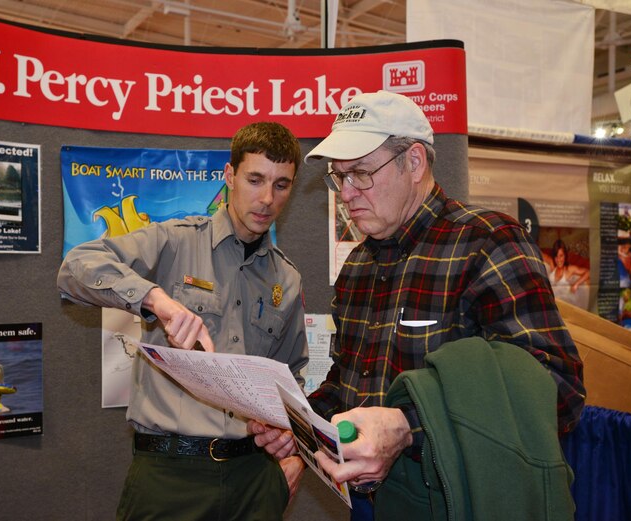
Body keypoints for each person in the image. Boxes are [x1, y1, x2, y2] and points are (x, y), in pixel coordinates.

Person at [250, 91, 585, 519]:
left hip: (455, 499)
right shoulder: (358, 265)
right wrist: (298, 424)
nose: (346, 194)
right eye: (339, 178)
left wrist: (410, 428)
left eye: (361, 174)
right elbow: (350, 380)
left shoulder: (487, 242)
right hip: (368, 503)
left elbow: (557, 388)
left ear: (414, 162)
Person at [58, 121, 309, 521]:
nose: (266, 198)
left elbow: (290, 376)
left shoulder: (287, 279)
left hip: (255, 477)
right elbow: (76, 268)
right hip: (172, 475)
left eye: (281, 185)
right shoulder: (175, 241)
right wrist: (156, 300)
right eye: (255, 179)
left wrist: (289, 439)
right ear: (230, 176)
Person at [541, 238, 590, 306]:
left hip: (563, 304)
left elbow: (588, 272)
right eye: (556, 256)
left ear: (565, 256)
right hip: (550, 301)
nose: (559, 260)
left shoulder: (569, 269)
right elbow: (540, 254)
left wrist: (576, 284)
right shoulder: (553, 266)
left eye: (561, 256)